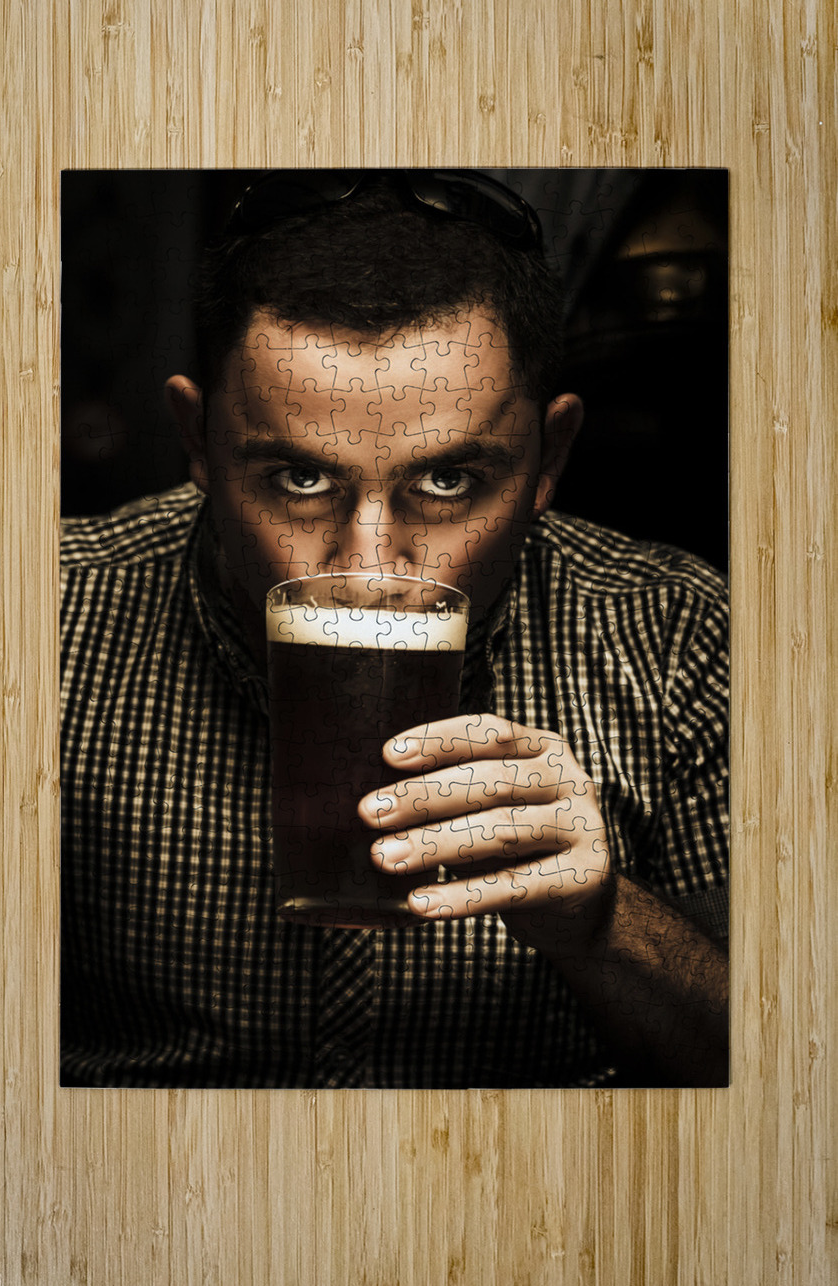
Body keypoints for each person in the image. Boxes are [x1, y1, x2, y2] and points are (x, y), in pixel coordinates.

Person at [60, 170, 728, 1089]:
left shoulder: (678, 635)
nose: (369, 571)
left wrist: (607, 927)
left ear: (549, 461)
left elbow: (797, 1094)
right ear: (197, 443)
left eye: (449, 482)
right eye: (298, 480)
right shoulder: (34, 624)